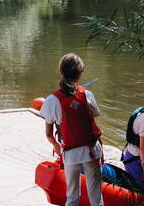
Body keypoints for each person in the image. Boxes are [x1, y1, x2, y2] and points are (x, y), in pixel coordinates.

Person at [40, 53, 104, 206]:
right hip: (92, 151)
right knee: (96, 197)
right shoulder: (87, 94)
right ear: (80, 74)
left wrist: (56, 146)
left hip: (70, 153)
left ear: (61, 72)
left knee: (72, 196)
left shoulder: (51, 100)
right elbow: (96, 113)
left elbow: (49, 134)